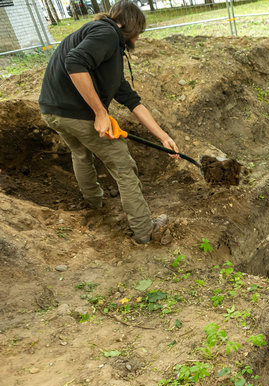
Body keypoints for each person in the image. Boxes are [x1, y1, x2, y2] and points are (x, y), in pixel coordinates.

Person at [39, 0, 177, 244]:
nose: (137, 39)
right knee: (123, 166)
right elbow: (75, 62)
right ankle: (144, 231)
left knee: (80, 153)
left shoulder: (104, 43)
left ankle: (94, 203)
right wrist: (100, 112)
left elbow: (131, 100)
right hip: (74, 113)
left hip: (53, 111)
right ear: (130, 25)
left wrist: (162, 136)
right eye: (138, 33)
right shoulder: (107, 32)